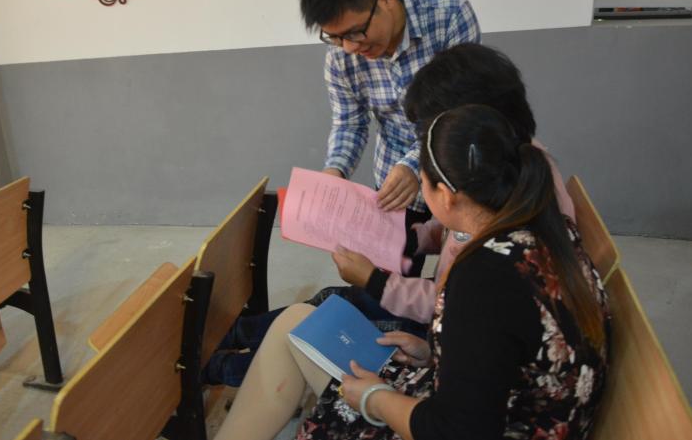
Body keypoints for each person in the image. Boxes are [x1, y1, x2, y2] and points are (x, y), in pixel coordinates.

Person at [215, 104, 610, 440]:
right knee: (299, 322)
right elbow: (506, 347)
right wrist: (436, 353)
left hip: (468, 425)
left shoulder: (482, 276)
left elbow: (458, 432)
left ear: (447, 196)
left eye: (422, 183)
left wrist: (376, 399)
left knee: (307, 332)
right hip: (510, 408)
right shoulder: (544, 227)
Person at [202, 43, 575, 386]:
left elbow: (452, 306)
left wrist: (375, 280)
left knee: (316, 330)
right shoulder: (508, 168)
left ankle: (216, 368)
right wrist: (412, 237)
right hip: (446, 318)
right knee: (333, 300)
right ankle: (228, 335)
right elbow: (452, 239)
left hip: (441, 333)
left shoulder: (505, 232)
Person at [300, 0, 481, 278]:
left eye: (356, 32)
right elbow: (350, 123)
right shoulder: (341, 57)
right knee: (392, 283)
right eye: (335, 37)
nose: (350, 47)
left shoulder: (450, 15)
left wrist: (414, 165)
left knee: (461, 279)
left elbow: (460, 112)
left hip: (458, 176)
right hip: (394, 189)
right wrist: (335, 172)